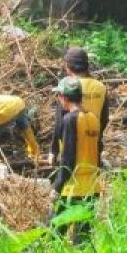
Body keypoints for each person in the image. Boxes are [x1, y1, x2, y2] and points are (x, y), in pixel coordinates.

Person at [49, 77, 101, 244]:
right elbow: (98, 150)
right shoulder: (93, 119)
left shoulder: (69, 120)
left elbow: (68, 158)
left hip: (74, 187)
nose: (58, 99)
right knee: (83, 240)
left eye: (59, 96)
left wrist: (57, 186)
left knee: (54, 233)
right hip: (92, 187)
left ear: (64, 97)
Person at [53, 47, 110, 164]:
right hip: (93, 145)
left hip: (70, 147)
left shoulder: (67, 86)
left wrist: (53, 151)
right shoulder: (100, 87)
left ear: (67, 66)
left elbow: (59, 122)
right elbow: (104, 119)